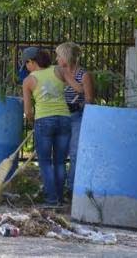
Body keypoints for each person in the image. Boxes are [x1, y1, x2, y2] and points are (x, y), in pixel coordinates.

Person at [21, 46, 71, 206]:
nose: (26, 68)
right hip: (64, 119)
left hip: (44, 121)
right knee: (60, 161)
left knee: (45, 162)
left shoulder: (29, 80)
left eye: (26, 64)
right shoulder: (58, 70)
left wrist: (31, 121)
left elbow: (28, 111)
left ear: (31, 62)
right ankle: (60, 199)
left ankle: (51, 199)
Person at [55, 42, 94, 191]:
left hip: (76, 117)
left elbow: (89, 99)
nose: (57, 59)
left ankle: (72, 188)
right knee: (58, 153)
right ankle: (57, 187)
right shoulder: (58, 73)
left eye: (59, 55)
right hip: (60, 116)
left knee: (75, 152)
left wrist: (77, 105)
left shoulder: (84, 75)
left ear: (66, 57)